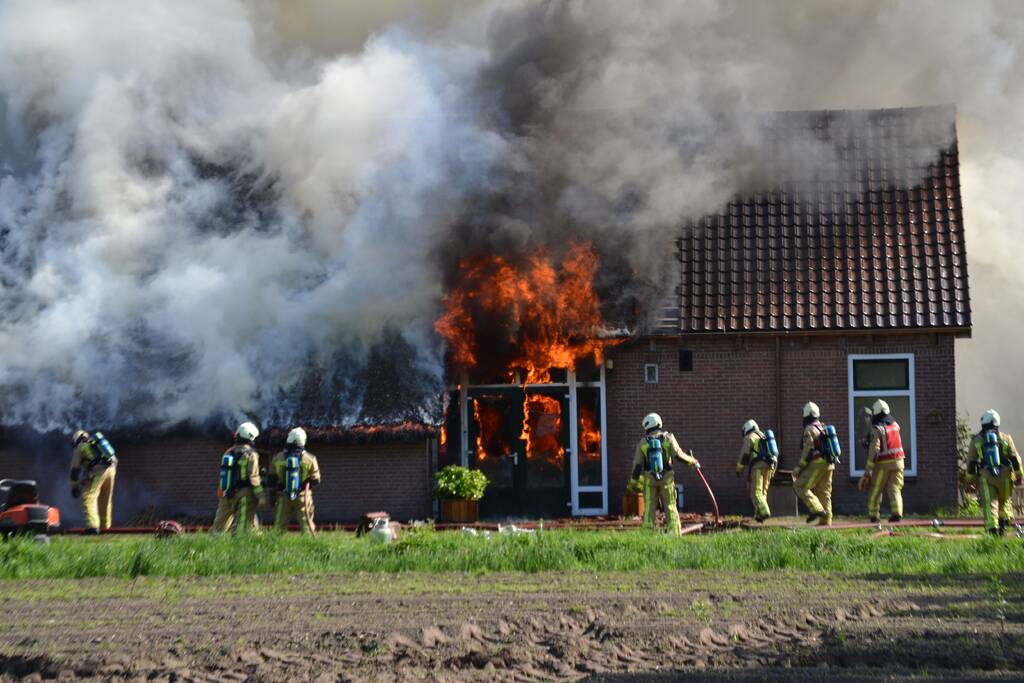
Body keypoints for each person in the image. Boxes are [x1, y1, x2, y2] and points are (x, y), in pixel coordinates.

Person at [630, 412, 700, 536]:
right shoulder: (668, 438)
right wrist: (693, 462)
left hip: (649, 480)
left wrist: (633, 482)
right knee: (670, 506)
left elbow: (637, 466)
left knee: (649, 509)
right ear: (658, 423)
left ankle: (647, 534)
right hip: (667, 479)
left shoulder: (643, 443)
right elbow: (679, 455)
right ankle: (674, 534)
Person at [965, 410, 1022, 535]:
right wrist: (1019, 476)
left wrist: (970, 482)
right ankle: (1002, 528)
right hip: (1006, 476)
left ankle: (992, 531)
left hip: (986, 476)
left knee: (990, 502)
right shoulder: (1006, 438)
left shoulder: (976, 441)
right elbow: (1015, 459)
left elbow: (971, 463)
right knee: (1004, 501)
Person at [211, 422, 263, 534]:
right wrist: (261, 496)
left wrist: (221, 492)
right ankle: (239, 545)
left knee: (219, 525)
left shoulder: (228, 452)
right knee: (243, 526)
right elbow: (253, 477)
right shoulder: (251, 454)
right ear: (251, 437)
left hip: (226, 493)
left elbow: (224, 473)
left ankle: (212, 544)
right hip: (244, 495)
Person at [858, 400, 905, 523]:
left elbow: (875, 451)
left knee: (876, 488)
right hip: (899, 462)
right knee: (895, 488)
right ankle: (897, 514)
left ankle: (874, 516)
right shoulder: (895, 425)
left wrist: (868, 470)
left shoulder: (877, 428)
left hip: (883, 464)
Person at [269, 427, 321, 534]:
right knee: (307, 526)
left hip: (283, 496)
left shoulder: (278, 458)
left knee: (279, 527)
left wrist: (272, 495)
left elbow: (271, 479)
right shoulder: (310, 459)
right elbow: (316, 480)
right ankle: (310, 546)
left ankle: (274, 546)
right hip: (303, 496)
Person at [792, 402, 834, 526]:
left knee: (800, 486)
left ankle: (817, 509)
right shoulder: (823, 427)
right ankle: (826, 520)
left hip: (817, 464)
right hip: (829, 464)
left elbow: (807, 450)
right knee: (824, 492)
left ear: (806, 416)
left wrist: (799, 467)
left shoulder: (809, 429)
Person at [69, 430, 117, 534]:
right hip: (111, 470)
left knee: (88, 497)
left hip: (99, 471)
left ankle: (93, 527)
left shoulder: (80, 448)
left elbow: (74, 471)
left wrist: (74, 487)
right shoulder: (96, 444)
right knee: (105, 500)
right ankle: (105, 527)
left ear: (77, 440)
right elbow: (113, 460)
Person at [736, 420, 776, 522]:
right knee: (763, 492)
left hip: (758, 467)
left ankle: (765, 512)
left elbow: (745, 453)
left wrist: (739, 468)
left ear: (746, 429)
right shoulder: (763, 436)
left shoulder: (750, 437)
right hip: (770, 466)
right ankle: (759, 514)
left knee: (756, 492)